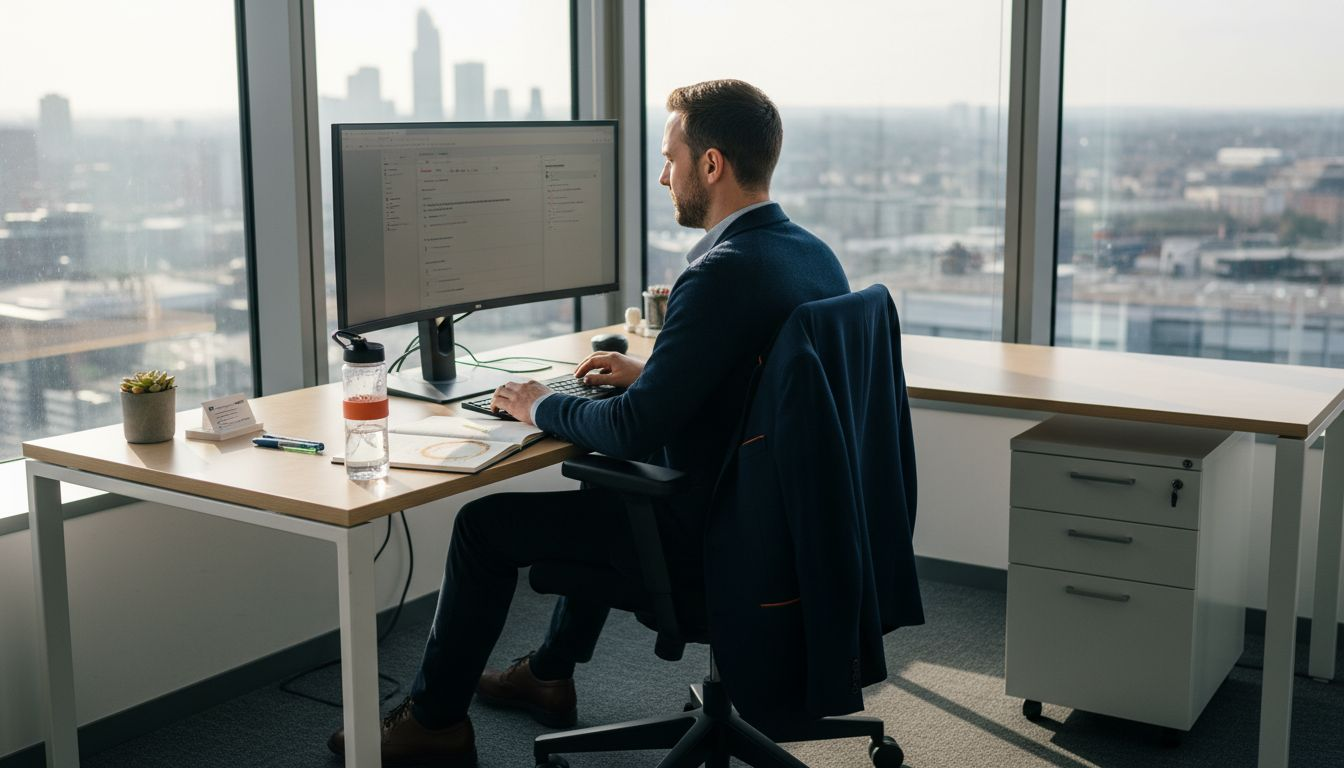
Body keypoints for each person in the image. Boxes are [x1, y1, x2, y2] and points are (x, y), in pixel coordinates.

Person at [329, 78, 851, 766]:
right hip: (784, 528)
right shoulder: (808, 254)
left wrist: (537, 403)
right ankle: (548, 674)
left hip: (719, 542)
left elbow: (633, 429)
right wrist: (653, 375)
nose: (664, 176)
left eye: (671, 157)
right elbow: (761, 384)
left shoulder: (721, 273)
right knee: (608, 481)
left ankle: (433, 723)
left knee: (483, 528)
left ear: (713, 165)